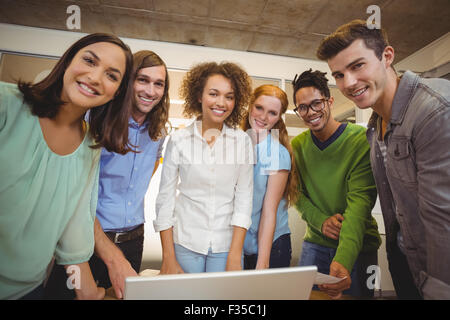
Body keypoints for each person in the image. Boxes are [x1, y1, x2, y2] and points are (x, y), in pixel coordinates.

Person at [317, 19, 450, 299]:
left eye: (357, 66)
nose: (349, 83)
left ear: (387, 56)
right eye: (339, 75)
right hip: (406, 263)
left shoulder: (434, 111)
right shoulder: (375, 128)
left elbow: (443, 222)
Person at [0, 33, 134, 300]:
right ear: (67, 61)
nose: (95, 77)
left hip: (28, 289)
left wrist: (87, 289)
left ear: (117, 92)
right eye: (89, 61)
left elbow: (74, 223)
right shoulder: (7, 103)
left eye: (111, 75)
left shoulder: (91, 145)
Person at [44, 50, 170, 300]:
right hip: (86, 238)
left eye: (159, 84)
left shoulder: (158, 132)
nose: (150, 91)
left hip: (134, 239)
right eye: (142, 80)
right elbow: (72, 191)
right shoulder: (94, 120)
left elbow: (151, 168)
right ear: (127, 82)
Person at [154, 61, 254, 274]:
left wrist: (236, 255)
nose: (221, 102)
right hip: (186, 242)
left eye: (229, 96)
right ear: (199, 96)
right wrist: (168, 257)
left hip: (227, 245)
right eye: (214, 94)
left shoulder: (242, 141)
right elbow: (165, 199)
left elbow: (244, 199)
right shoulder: (179, 140)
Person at [291, 69, 381, 299]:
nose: (310, 112)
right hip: (315, 244)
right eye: (302, 107)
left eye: (316, 103)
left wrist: (343, 258)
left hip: (359, 246)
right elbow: (296, 194)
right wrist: (320, 222)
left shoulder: (360, 140)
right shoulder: (298, 146)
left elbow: (360, 204)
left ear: (329, 101)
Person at [240, 85, 298, 269]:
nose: (263, 117)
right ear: (250, 106)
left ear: (279, 117)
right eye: (259, 108)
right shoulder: (238, 145)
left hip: (271, 247)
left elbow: (269, 212)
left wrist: (262, 263)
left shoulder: (277, 153)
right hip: (242, 244)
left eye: (272, 113)